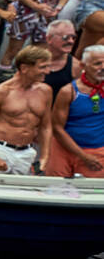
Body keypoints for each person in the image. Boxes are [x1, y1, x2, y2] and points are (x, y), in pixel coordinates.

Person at [0, 45, 54, 176]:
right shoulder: (1, 91)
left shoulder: (45, 91)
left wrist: (45, 156)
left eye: (48, 66)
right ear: (24, 68)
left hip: (26, 153)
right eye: (42, 67)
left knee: (19, 188)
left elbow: (46, 127)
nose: (48, 71)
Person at [47, 44, 104, 178]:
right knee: (56, 187)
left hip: (97, 150)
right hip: (63, 150)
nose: (103, 67)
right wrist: (83, 156)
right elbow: (57, 128)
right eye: (97, 63)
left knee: (92, 189)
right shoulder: (68, 91)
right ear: (83, 66)